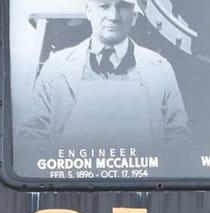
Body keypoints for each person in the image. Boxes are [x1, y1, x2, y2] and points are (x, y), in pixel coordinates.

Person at [15, 0, 191, 164]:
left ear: (135, 17)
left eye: (122, 6)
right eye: (104, 6)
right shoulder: (56, 68)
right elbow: (32, 135)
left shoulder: (161, 69)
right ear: (89, 11)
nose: (113, 16)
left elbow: (178, 138)